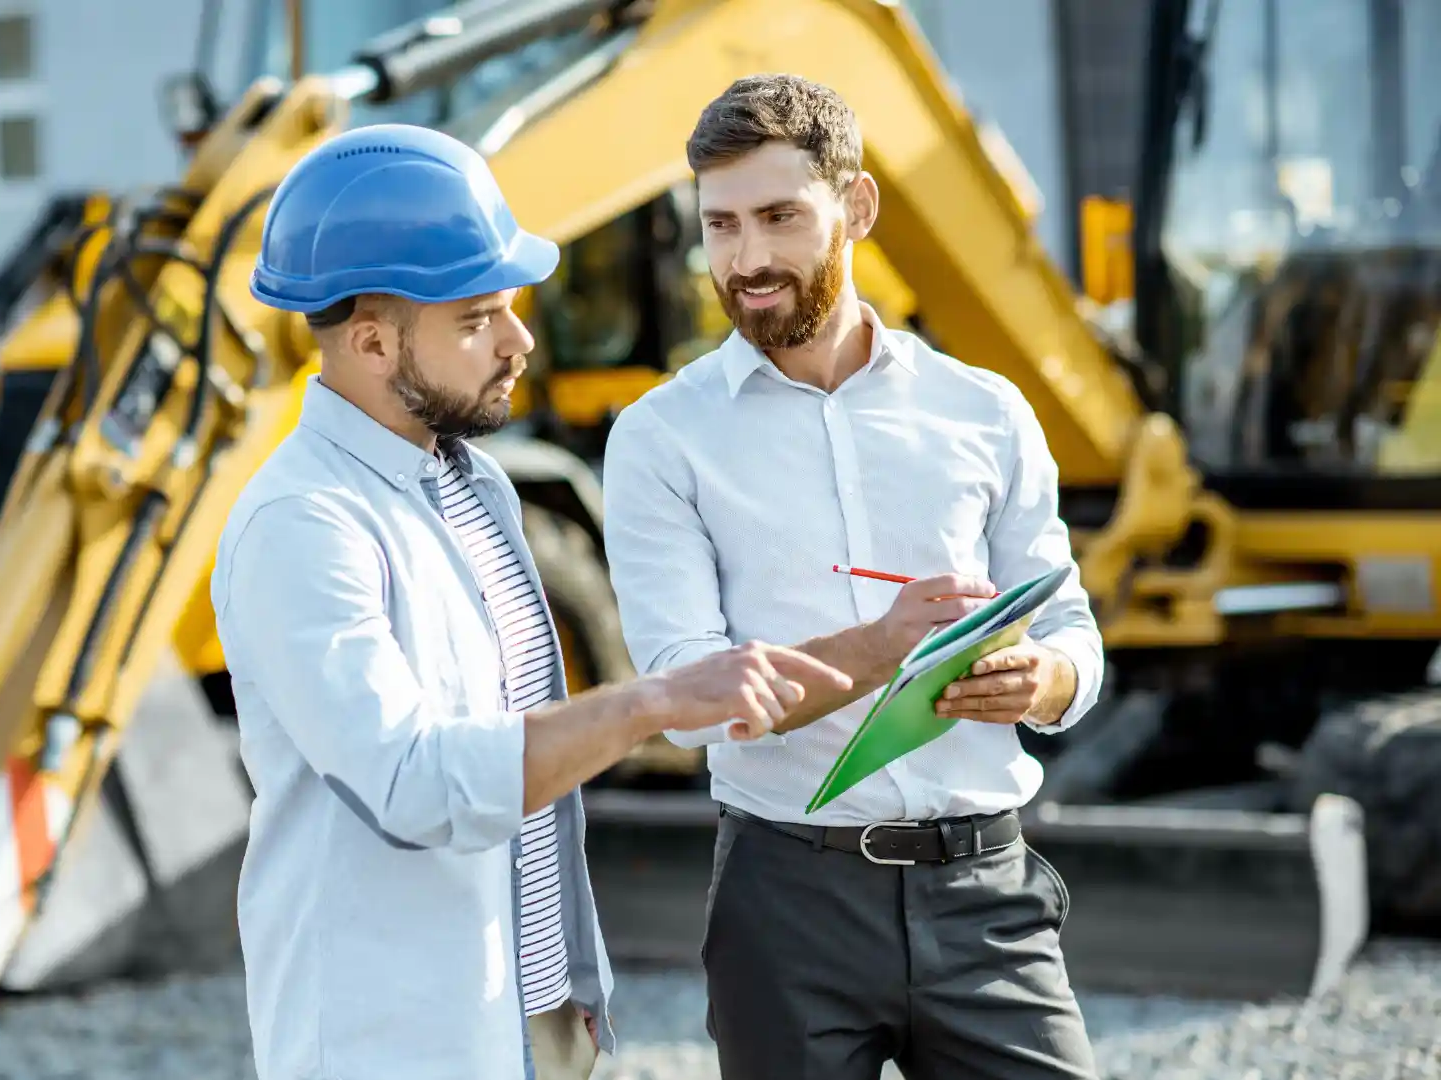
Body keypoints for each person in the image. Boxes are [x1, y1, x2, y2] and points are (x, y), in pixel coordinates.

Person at [210, 122, 853, 1080]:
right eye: (477, 319)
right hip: (388, 1041)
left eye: (511, 307)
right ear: (373, 342)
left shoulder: (479, 490)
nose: (520, 341)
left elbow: (524, 765)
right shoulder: (302, 527)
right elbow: (414, 784)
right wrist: (651, 702)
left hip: (525, 1019)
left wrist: (567, 993)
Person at [599, 75, 1108, 1080]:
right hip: (787, 902)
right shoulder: (660, 438)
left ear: (857, 207)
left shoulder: (986, 411)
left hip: (987, 894)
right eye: (722, 225)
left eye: (782, 218)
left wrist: (1043, 680)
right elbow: (691, 703)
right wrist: (882, 647)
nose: (748, 260)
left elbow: (1073, 627)